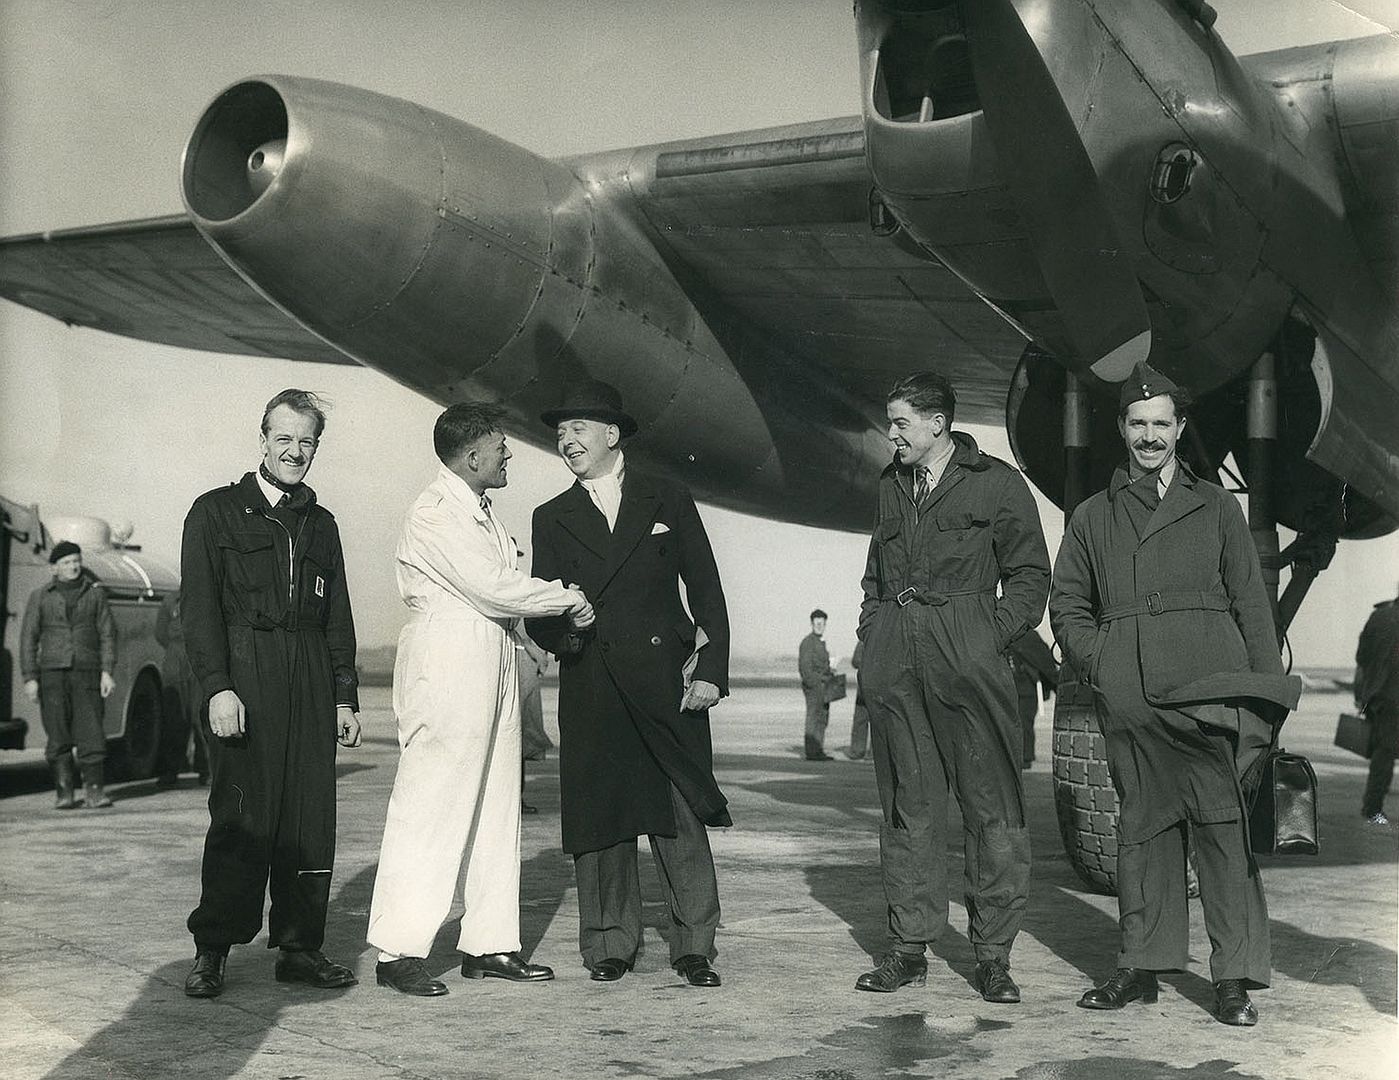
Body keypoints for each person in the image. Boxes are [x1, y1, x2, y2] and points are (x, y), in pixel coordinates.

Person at [1049, 362, 1301, 1027]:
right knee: (1141, 832)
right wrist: (1103, 663)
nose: (1149, 436)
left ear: (1180, 429)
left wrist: (1262, 700)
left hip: (1210, 694)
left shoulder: (1217, 507)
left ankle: (1233, 980)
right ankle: (1138, 964)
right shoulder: (1091, 515)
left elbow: (1252, 606)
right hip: (1130, 694)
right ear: (1120, 428)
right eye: (1137, 424)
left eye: (1161, 423)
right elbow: (1067, 604)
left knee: (1221, 836)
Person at [367, 403, 593, 996]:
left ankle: (490, 944)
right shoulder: (436, 512)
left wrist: (532, 633)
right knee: (432, 806)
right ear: (472, 457)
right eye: (500, 447)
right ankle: (398, 950)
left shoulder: (481, 511)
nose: (508, 455)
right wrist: (565, 597)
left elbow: (497, 598)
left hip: (490, 658)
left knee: (498, 805)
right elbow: (493, 587)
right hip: (446, 665)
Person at [527, 378, 732, 988]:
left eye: (579, 430)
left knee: (681, 813)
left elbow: (707, 589)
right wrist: (569, 634)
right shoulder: (551, 517)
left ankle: (693, 944)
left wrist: (712, 671)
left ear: (612, 435)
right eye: (560, 433)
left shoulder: (667, 498)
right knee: (602, 816)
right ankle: (610, 943)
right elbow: (541, 609)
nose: (567, 441)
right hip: (592, 680)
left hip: (665, 682)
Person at [855, 371, 1050, 1004]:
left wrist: (987, 635)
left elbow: (1029, 575)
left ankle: (992, 956)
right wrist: (874, 634)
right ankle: (909, 948)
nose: (893, 435)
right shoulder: (891, 485)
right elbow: (874, 575)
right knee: (909, 806)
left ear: (938, 423)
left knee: (990, 807)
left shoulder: (997, 484)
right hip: (897, 657)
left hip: (968, 655)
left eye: (902, 423)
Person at [180, 389, 363, 999]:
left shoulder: (322, 524)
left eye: (305, 441)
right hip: (246, 674)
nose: (294, 451)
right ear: (262, 441)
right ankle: (213, 949)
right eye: (283, 439)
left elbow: (337, 616)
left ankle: (299, 946)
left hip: (310, 673)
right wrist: (218, 687)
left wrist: (344, 696)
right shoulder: (215, 513)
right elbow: (200, 611)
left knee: (310, 819)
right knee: (240, 815)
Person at [20, 541, 117, 810]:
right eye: (66, 562)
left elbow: (108, 634)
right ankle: (64, 792)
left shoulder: (95, 595)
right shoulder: (40, 596)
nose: (73, 566)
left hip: (87, 672)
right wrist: (30, 677)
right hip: (52, 673)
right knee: (58, 732)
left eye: (76, 561)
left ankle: (95, 792)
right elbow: (29, 638)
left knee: (91, 732)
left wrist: (107, 671)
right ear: (54, 568)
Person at [155, 589, 209, 787]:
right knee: (174, 718)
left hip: (200, 662)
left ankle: (207, 770)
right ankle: (170, 771)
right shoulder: (170, 600)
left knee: (202, 716)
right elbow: (160, 633)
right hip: (175, 663)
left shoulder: (207, 596)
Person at [1354, 587, 1399, 826]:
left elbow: (1361, 658)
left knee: (1384, 752)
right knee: (1386, 753)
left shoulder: (1379, 616)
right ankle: (1372, 809)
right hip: (1394, 697)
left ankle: (1373, 807)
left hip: (1377, 697)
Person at [1007, 631, 1057, 768]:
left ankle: (1024, 757)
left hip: (1026, 689)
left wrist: (1055, 682)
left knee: (1024, 723)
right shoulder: (1023, 635)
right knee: (1020, 723)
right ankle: (1021, 756)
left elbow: (1042, 660)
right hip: (1017, 688)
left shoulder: (1025, 636)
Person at [517, 632, 553, 815]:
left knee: (520, 733)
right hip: (522, 657)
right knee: (519, 732)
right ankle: (515, 799)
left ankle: (516, 798)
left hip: (526, 658)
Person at [799, 608, 835, 760]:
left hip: (824, 688)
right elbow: (805, 669)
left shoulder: (820, 643)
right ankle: (812, 752)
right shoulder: (808, 642)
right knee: (814, 718)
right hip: (815, 689)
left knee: (822, 719)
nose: (820, 626)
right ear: (812, 624)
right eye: (817, 624)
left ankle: (818, 750)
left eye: (822, 624)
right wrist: (817, 685)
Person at [846, 638, 870, 761]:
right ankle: (861, 751)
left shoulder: (863, 641)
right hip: (869, 688)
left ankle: (858, 750)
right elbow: (855, 661)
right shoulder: (863, 641)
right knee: (864, 720)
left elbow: (855, 661)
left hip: (865, 687)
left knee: (860, 720)